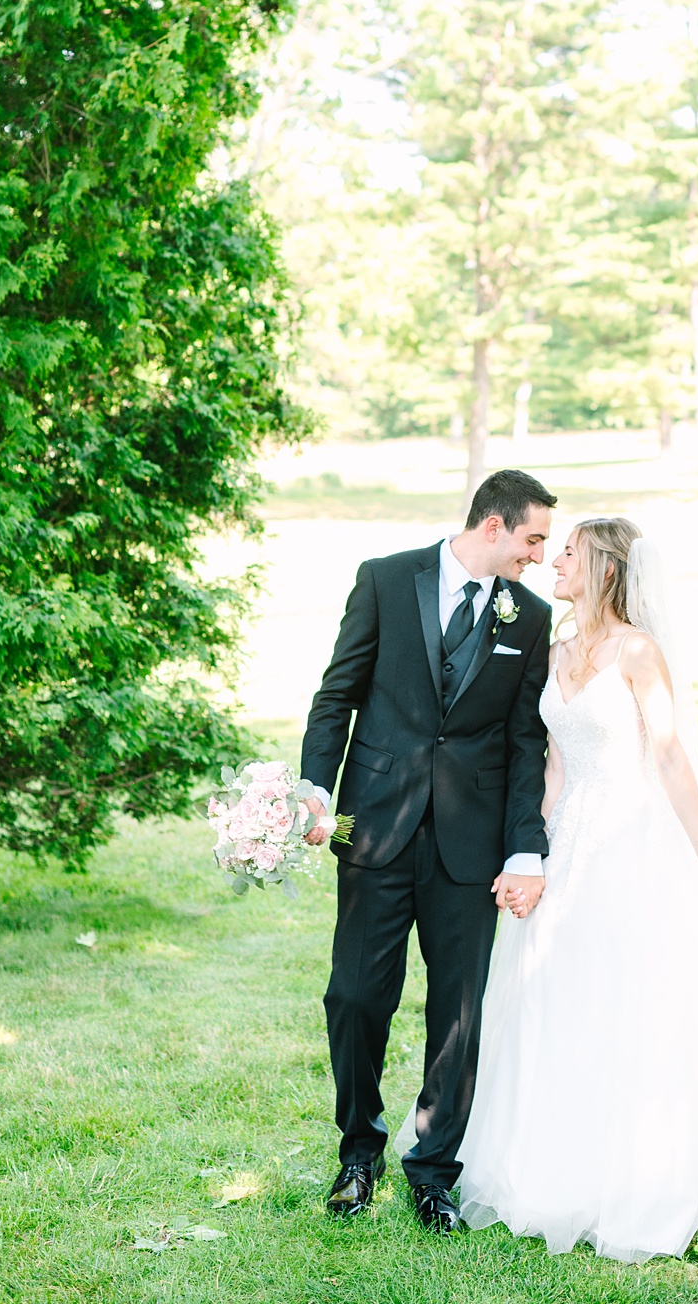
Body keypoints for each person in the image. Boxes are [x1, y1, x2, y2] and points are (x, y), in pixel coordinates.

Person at [456, 515, 698, 1264]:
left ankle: (638, 1176)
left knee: (625, 998)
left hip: (633, 842)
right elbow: (555, 767)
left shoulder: (638, 651)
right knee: (550, 994)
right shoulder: (559, 648)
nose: (556, 560)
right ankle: (549, 1166)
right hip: (566, 842)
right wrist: (525, 852)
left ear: (604, 569)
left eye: (569, 552)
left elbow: (665, 752)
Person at [299, 469, 558, 1231]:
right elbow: (335, 696)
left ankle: (434, 1168)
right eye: (533, 538)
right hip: (374, 827)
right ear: (493, 527)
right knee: (353, 997)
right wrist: (317, 791)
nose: (540, 556)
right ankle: (358, 1151)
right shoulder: (384, 581)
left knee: (459, 1014)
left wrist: (523, 851)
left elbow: (523, 746)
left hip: (470, 848)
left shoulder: (531, 616)